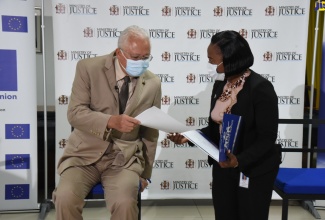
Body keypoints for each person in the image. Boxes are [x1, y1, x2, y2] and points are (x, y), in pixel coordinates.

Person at [168, 30, 281, 220]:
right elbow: (215, 128)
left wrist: (239, 160)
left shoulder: (260, 88)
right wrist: (189, 136)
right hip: (223, 166)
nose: (210, 65)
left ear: (230, 58)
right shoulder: (220, 85)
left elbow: (267, 138)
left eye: (212, 60)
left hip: (252, 169)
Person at [52, 25, 162, 220]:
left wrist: (145, 174)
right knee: (64, 198)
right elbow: (75, 113)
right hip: (84, 155)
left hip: (124, 159)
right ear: (119, 53)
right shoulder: (88, 68)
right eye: (136, 58)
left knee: (125, 203)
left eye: (146, 57)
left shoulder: (153, 83)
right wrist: (110, 121)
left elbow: (151, 132)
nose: (142, 63)